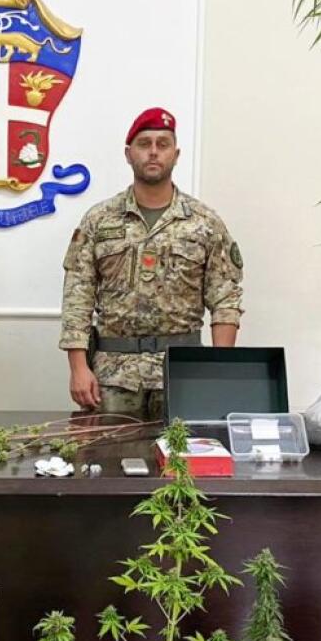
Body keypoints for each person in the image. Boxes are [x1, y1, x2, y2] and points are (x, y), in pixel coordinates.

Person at [59, 107, 244, 420]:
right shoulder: (99, 220)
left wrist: (216, 372)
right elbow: (77, 298)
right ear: (129, 154)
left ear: (176, 153)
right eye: (145, 144)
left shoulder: (205, 222)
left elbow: (225, 299)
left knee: (181, 464)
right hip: (113, 375)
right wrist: (78, 367)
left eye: (163, 143)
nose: (154, 152)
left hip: (181, 373)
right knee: (108, 463)